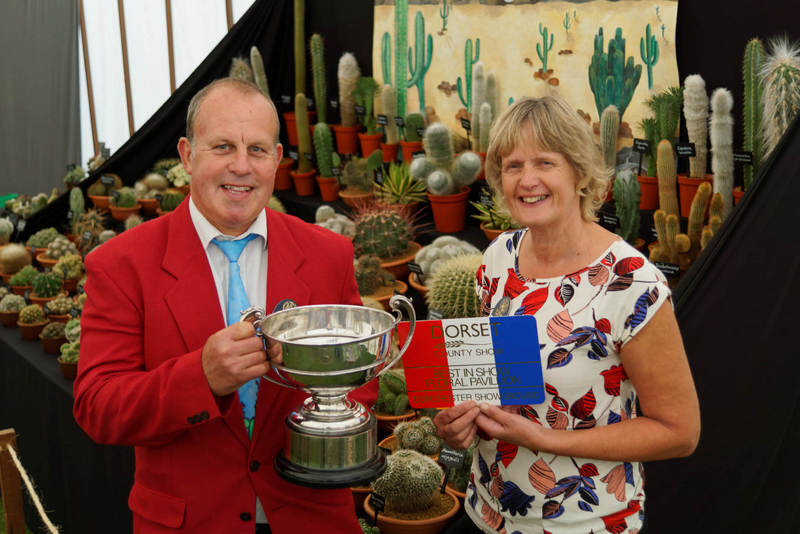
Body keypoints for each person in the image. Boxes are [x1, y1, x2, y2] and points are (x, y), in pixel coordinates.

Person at [73, 77, 375, 533]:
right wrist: (202, 378)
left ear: (276, 159)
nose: (240, 166)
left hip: (311, 516)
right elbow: (98, 407)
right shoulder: (121, 265)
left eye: (256, 149)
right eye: (222, 147)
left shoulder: (327, 254)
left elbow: (360, 377)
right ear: (187, 155)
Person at [434, 96, 700, 534]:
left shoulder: (630, 282)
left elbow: (679, 432)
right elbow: (491, 383)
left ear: (578, 170)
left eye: (545, 162)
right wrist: (461, 424)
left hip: (584, 522)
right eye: (512, 165)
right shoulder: (499, 257)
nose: (526, 180)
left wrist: (545, 439)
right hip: (487, 513)